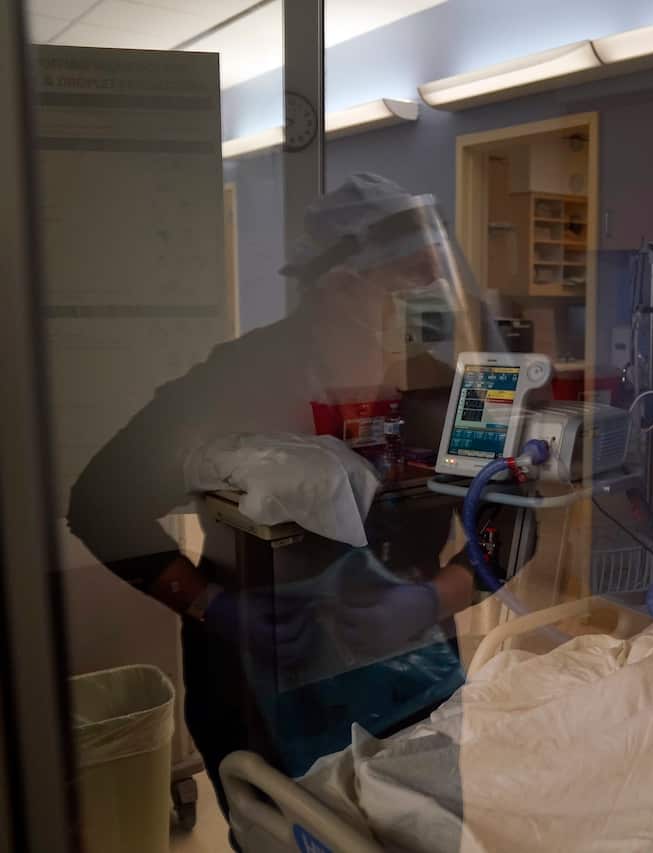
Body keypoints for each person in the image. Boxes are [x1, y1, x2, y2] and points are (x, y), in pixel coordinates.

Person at [66, 174, 484, 820]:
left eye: (437, 277)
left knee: (421, 827)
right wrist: (215, 606)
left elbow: (509, 527)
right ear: (342, 284)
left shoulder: (437, 388)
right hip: (261, 682)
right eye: (411, 279)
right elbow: (101, 501)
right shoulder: (234, 381)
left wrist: (428, 599)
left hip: (410, 678)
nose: (430, 298)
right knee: (284, 831)